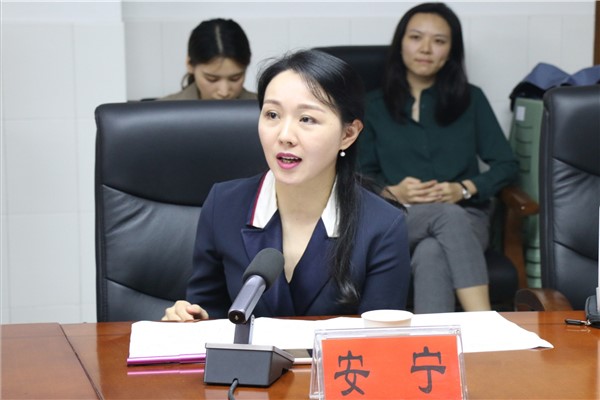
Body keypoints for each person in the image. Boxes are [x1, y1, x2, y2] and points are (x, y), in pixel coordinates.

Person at [163, 49, 411, 321]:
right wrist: (191, 318)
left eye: (306, 119)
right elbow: (209, 312)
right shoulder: (223, 204)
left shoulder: (383, 226)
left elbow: (379, 337)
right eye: (272, 115)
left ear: (348, 134)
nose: (284, 135)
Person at [358, 2, 518, 313]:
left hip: (467, 216)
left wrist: (464, 189)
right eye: (416, 37)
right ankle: (486, 322)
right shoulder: (372, 106)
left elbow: (506, 165)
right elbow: (357, 176)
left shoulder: (471, 99)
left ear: (451, 51)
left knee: (432, 252)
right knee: (446, 216)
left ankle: (431, 341)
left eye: (439, 41)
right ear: (400, 43)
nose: (426, 49)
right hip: (398, 217)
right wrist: (392, 192)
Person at [161, 18, 257, 101]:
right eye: (212, 79)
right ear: (190, 64)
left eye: (235, 78)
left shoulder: (262, 108)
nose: (224, 92)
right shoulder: (160, 111)